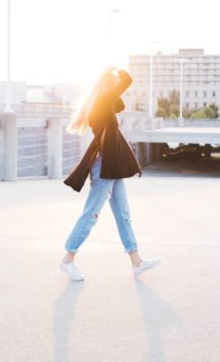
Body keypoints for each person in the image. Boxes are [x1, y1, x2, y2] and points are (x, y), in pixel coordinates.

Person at [59, 68, 161, 281]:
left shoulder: (105, 103)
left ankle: (137, 262)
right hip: (105, 166)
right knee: (91, 214)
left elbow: (120, 104)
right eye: (113, 86)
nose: (117, 89)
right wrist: (115, 69)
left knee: (123, 215)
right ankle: (68, 259)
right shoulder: (101, 103)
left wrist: (112, 86)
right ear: (108, 86)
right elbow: (128, 80)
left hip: (112, 167)